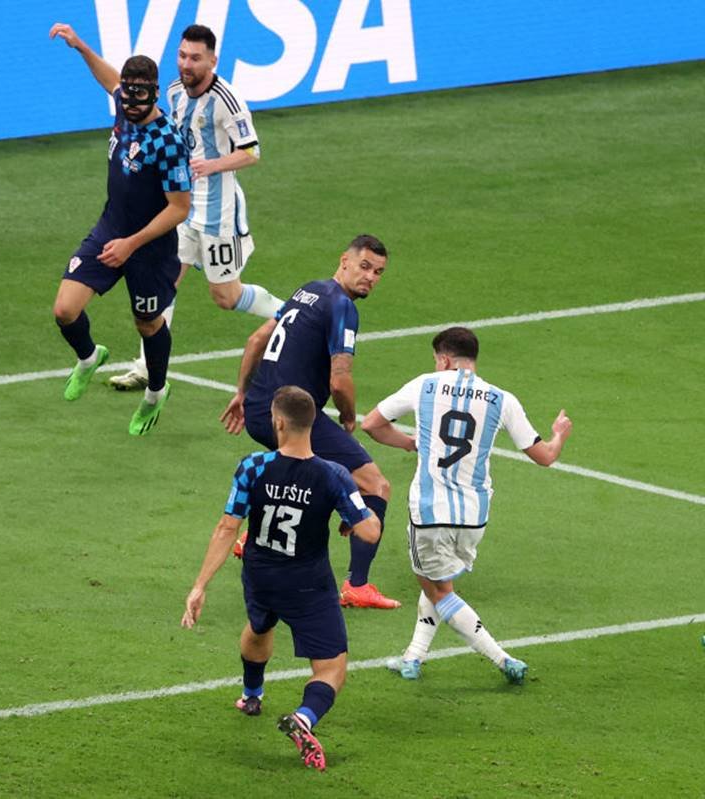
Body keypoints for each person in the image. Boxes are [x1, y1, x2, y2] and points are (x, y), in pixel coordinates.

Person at [181, 386, 382, 770]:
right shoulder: (334, 474)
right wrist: (354, 519)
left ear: (277, 422)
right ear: (312, 424)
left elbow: (227, 527)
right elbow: (369, 531)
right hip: (308, 583)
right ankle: (304, 718)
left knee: (260, 625)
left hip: (260, 573)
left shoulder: (252, 466)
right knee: (331, 667)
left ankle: (251, 694)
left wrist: (200, 586)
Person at [361, 326, 573, 683]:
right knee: (437, 579)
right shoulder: (502, 399)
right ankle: (413, 657)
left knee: (436, 588)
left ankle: (502, 659)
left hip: (429, 511)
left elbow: (372, 424)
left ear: (444, 359)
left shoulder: (425, 384)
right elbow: (546, 457)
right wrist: (559, 433)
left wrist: (409, 444)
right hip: (474, 516)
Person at [220, 234, 400, 609]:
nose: (370, 277)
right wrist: (349, 416)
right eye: (365, 267)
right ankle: (358, 585)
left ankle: (254, 537)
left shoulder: (308, 291)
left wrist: (241, 393)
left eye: (379, 272)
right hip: (293, 415)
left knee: (305, 469)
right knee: (375, 485)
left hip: (259, 411)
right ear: (345, 261)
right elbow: (339, 379)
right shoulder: (342, 307)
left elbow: (256, 340)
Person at [110, 24, 283, 391]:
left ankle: (291, 315)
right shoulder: (172, 91)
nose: (186, 64)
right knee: (164, 283)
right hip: (181, 208)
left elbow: (252, 152)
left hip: (218, 213)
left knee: (226, 296)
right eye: (182, 56)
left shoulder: (227, 99)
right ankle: (146, 366)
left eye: (195, 58)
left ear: (212, 60)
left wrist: (211, 165)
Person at [49, 23, 192, 435]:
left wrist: (131, 245)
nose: (128, 103)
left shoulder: (168, 141)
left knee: (147, 324)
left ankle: (155, 393)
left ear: (155, 93)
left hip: (148, 247)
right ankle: (89, 357)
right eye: (125, 95)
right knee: (65, 310)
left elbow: (179, 208)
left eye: (138, 96)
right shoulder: (124, 103)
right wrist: (80, 47)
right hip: (110, 227)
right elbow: (109, 77)